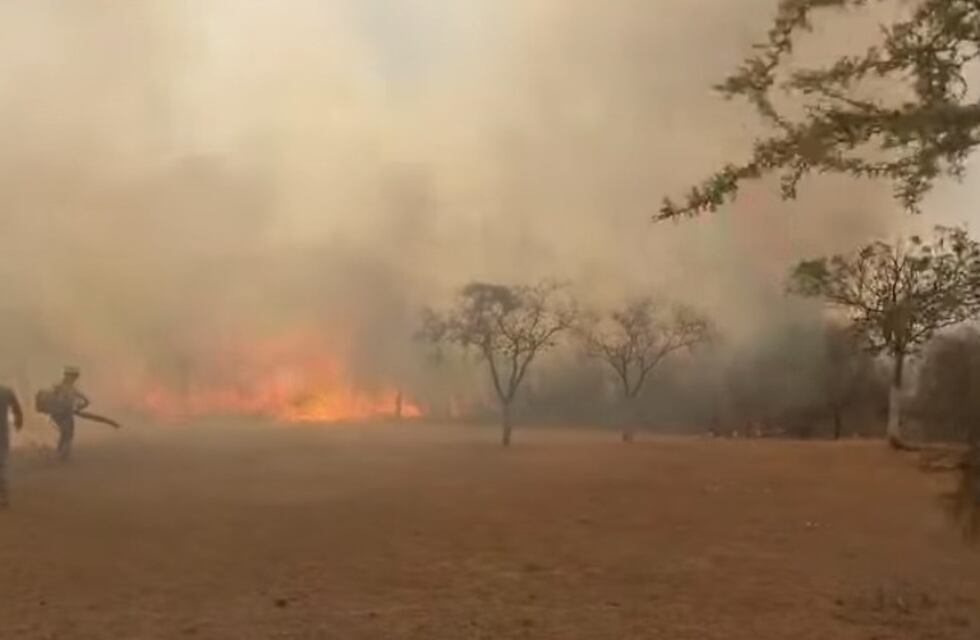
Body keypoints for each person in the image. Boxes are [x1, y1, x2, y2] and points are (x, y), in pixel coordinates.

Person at [50, 366, 90, 462]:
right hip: (60, 414)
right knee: (67, 433)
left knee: (66, 434)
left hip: (66, 414)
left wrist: (78, 407)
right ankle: (60, 455)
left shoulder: (69, 388)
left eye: (75, 377)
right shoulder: (60, 387)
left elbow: (86, 401)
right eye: (73, 376)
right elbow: (57, 400)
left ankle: (61, 455)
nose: (74, 379)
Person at [0, 385, 24, 508]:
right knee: (2, 464)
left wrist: (18, 420)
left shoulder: (6, 391)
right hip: (2, 433)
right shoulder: (5, 391)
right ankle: (4, 497)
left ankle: (4, 496)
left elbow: (16, 409)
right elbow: (17, 408)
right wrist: (18, 421)